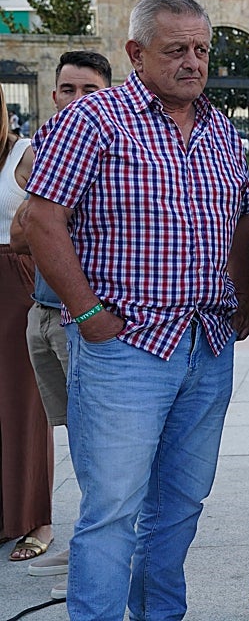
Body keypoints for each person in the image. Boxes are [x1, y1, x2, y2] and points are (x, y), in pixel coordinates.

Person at [23, 0, 249, 621]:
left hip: (205, 345)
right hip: (126, 348)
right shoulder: (94, 120)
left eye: (201, 49)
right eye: (176, 49)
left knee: (180, 505)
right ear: (136, 52)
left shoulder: (221, 130)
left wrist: (241, 297)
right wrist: (88, 314)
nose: (193, 61)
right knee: (112, 510)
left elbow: (239, 218)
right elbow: (41, 219)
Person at [9, 51, 113, 589]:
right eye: (67, 90)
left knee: (103, 441)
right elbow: (22, 235)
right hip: (43, 311)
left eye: (89, 90)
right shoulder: (47, 146)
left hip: (83, 317)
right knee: (77, 435)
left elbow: (40, 228)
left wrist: (42, 211)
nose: (76, 100)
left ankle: (97, 553)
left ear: (109, 95)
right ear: (53, 96)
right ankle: (86, 543)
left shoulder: (110, 149)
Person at [0, 85, 48, 565]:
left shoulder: (25, 152)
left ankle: (36, 519)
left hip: (13, 278)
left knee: (22, 404)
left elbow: (42, 220)